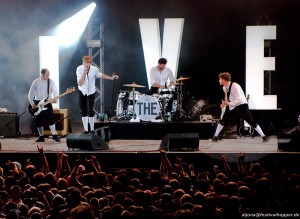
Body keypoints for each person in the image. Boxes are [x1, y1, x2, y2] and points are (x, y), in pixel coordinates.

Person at [212, 72, 268, 142]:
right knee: (223, 120)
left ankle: (264, 137)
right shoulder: (224, 87)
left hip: (242, 105)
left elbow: (239, 100)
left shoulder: (235, 86)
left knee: (251, 121)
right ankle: (215, 137)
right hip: (233, 106)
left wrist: (228, 103)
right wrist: (224, 104)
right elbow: (227, 98)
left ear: (224, 79)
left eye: (220, 79)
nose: (219, 81)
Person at [77, 55, 119, 134]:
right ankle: (86, 130)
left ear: (90, 63)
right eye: (84, 62)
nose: (86, 64)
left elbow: (101, 75)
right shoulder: (79, 69)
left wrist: (111, 78)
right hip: (82, 90)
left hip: (91, 91)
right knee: (84, 111)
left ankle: (92, 130)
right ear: (83, 62)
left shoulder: (94, 69)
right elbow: (80, 83)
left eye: (87, 63)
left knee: (90, 110)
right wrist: (84, 73)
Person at [28, 68, 60, 142]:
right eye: (46, 75)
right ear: (42, 74)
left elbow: (55, 91)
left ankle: (54, 135)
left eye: (48, 75)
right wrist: (31, 102)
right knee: (38, 120)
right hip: (37, 102)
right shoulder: (36, 81)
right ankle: (41, 136)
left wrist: (55, 99)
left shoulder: (51, 81)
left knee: (50, 119)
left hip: (47, 102)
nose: (48, 76)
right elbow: (31, 92)